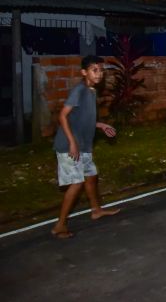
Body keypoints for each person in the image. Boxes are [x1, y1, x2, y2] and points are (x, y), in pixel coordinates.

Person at [51, 55, 119, 239]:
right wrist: (72, 143)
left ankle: (96, 210)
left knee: (91, 176)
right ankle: (60, 225)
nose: (99, 74)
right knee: (77, 183)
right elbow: (63, 116)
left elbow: (82, 118)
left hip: (84, 145)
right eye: (94, 70)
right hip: (69, 145)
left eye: (101, 70)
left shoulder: (91, 91)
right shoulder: (79, 90)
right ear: (84, 72)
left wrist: (100, 125)